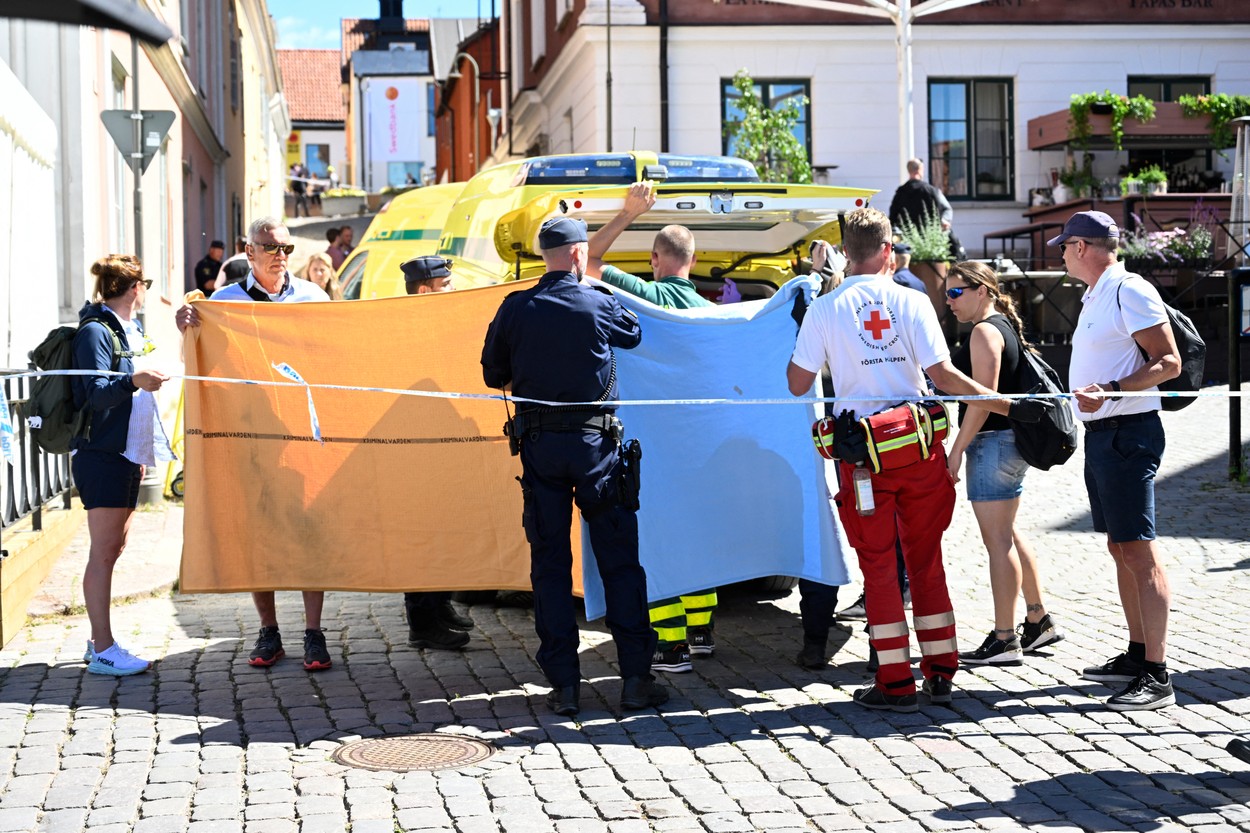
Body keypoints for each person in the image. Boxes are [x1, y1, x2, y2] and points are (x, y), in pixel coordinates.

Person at [785, 207, 1045, 713]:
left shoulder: (826, 307)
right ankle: (941, 673)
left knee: (879, 569)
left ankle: (895, 684)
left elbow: (797, 384)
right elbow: (943, 375)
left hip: (862, 457)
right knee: (925, 562)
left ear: (845, 251)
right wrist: (1003, 404)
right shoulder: (913, 299)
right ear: (887, 251)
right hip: (918, 448)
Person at [481, 216, 669, 717]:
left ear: (546, 255)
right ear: (580, 255)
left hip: (541, 449)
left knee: (550, 567)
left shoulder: (515, 307)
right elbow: (633, 334)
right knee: (619, 563)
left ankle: (564, 686)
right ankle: (634, 679)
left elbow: (491, 373)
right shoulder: (600, 302)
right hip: (596, 449)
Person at [176, 216, 333, 672]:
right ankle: (269, 630)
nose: (280, 256)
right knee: (257, 532)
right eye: (270, 247)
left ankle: (314, 632)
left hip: (303, 434)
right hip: (249, 435)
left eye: (286, 248)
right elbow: (200, 361)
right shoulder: (222, 302)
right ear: (249, 250)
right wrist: (186, 324)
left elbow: (333, 357)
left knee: (310, 531)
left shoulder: (314, 297)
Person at [584, 181, 718, 673]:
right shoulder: (711, 313)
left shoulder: (645, 292)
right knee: (698, 534)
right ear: (693, 261)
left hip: (655, 443)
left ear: (657, 259)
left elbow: (589, 261)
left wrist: (626, 214)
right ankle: (702, 633)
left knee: (658, 539)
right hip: (702, 444)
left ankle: (670, 645)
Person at [1053, 210, 1181, 711]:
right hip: (1105, 434)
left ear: (1082, 247)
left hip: (1129, 434)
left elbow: (1167, 362)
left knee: (1139, 551)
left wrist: (1109, 390)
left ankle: (1158, 673)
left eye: (1064, 246)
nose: (1061, 254)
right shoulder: (1096, 293)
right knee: (1120, 547)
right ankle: (1137, 654)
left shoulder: (1130, 289)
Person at [943, 261, 1065, 666]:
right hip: (1009, 445)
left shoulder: (983, 332)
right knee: (1008, 534)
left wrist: (958, 448)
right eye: (947, 292)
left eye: (956, 291)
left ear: (982, 290)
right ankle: (1038, 619)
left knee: (997, 543)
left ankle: (1003, 637)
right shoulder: (1004, 327)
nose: (949, 300)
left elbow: (983, 400)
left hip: (993, 444)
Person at [72, 255, 172, 676]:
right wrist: (134, 380)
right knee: (104, 550)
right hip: (101, 455)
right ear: (136, 288)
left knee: (113, 548)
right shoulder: (96, 330)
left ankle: (98, 640)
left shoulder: (128, 330)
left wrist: (140, 452)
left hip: (125, 453)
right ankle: (103, 648)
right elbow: (92, 392)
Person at [398, 255, 475, 650]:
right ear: (426, 289)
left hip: (442, 445)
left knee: (445, 528)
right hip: (417, 451)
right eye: (447, 284)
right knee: (422, 534)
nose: (454, 290)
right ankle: (422, 621)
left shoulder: (437, 326)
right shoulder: (408, 329)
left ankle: (440, 603)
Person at [889, 158, 953, 236]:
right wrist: (944, 220)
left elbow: (892, 217)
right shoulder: (931, 191)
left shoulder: (900, 193)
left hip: (905, 239)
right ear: (920, 170)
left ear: (908, 170)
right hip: (929, 239)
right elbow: (946, 209)